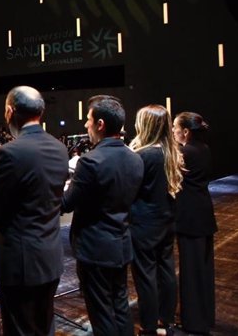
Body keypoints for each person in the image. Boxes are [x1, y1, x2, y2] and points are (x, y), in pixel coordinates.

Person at [0, 86, 69, 336]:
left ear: (9, 111)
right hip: (50, 258)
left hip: (20, 264)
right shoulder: (60, 148)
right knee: (44, 325)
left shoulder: (10, 152)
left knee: (20, 329)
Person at [62, 95, 144, 336]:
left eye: (88, 120)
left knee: (101, 313)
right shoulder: (135, 158)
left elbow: (66, 204)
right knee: (119, 306)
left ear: (100, 124)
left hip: (94, 249)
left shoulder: (90, 161)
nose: (85, 125)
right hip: (121, 244)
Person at [129, 105, 183, 335]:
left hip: (143, 224)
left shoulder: (143, 155)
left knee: (146, 276)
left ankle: (149, 325)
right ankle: (167, 319)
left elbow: (131, 190)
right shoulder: (171, 152)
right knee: (167, 270)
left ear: (146, 125)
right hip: (166, 220)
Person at [173, 112, 217, 334]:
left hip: (189, 216)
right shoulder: (205, 149)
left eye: (175, 128)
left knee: (190, 272)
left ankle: (193, 322)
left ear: (186, 131)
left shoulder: (184, 152)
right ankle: (206, 315)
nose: (172, 132)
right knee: (204, 269)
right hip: (204, 211)